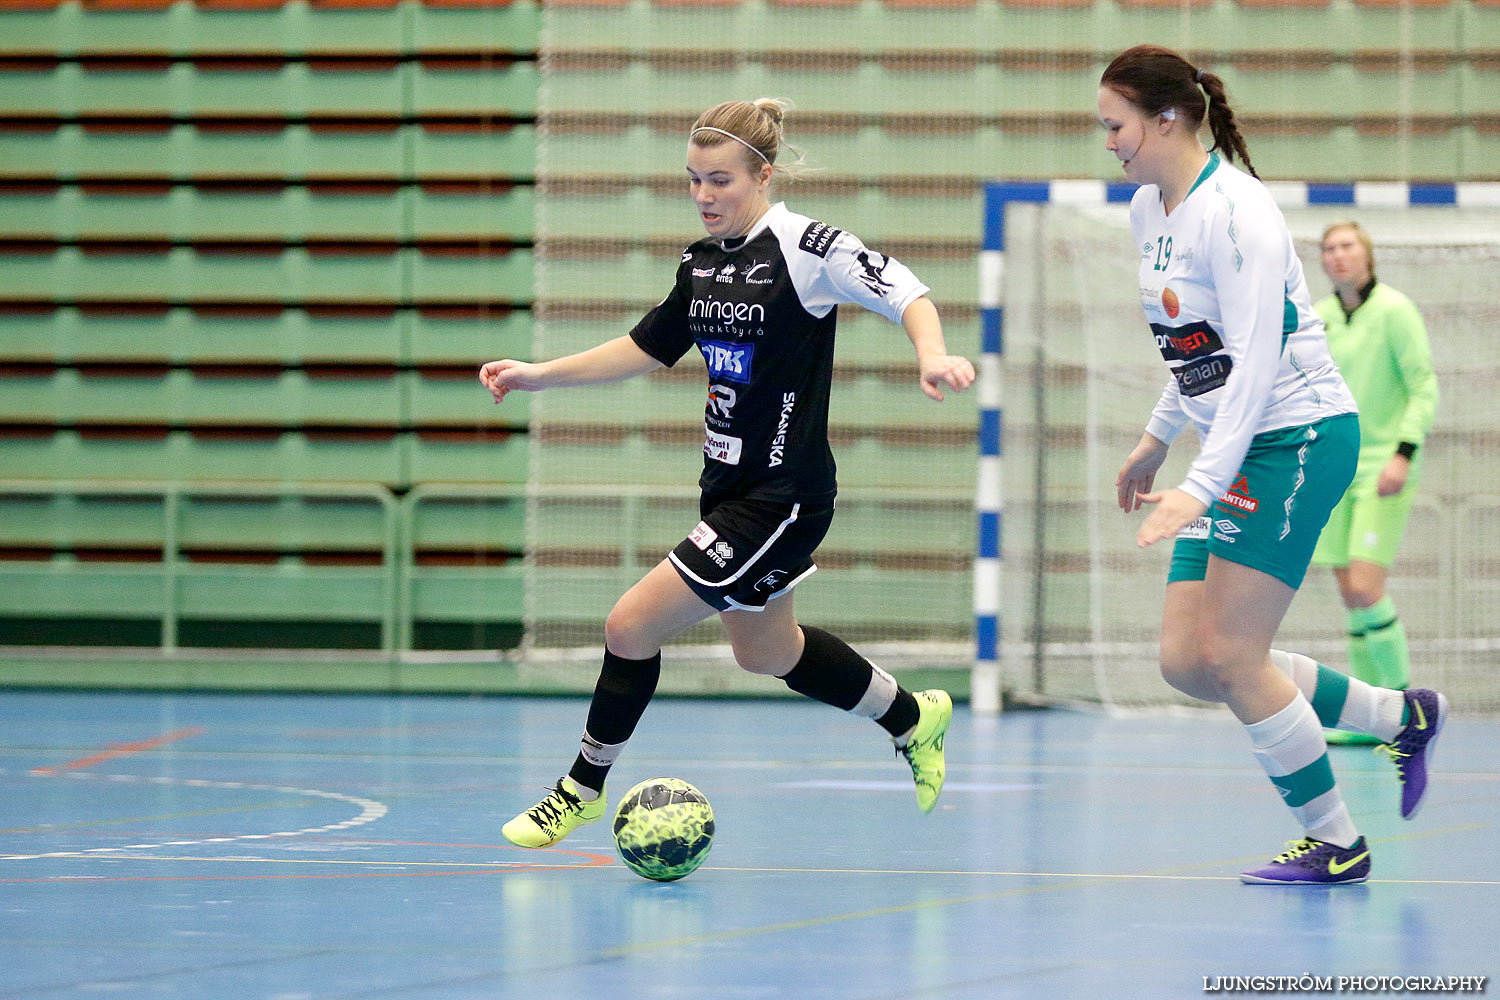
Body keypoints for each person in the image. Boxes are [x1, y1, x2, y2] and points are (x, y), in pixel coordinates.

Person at [481, 98, 975, 849]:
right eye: (693, 181)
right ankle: (914, 718)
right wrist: (538, 376)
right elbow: (647, 347)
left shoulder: (807, 247)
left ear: (762, 175)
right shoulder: (701, 262)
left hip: (783, 496)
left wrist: (931, 354)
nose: (705, 196)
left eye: (720, 180)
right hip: (727, 487)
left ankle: (581, 788)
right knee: (767, 652)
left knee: (628, 625)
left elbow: (904, 290)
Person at [1100, 46, 1448, 885]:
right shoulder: (1150, 211)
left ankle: (1338, 843)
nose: (1107, 142)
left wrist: (1198, 485)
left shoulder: (1238, 213)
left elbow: (1254, 368)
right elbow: (1194, 352)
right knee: (1188, 660)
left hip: (1297, 439)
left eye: (1115, 126)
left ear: (1167, 119)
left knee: (1229, 652)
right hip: (1233, 439)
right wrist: (1156, 437)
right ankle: (1401, 716)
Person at [1310, 221, 1439, 745]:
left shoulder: (1395, 310)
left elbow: (1423, 387)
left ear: (1367, 255)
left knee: (1366, 586)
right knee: (1349, 592)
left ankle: (1410, 711)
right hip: (1333, 470)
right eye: (1328, 249)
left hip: (1382, 467)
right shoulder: (1317, 319)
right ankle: (1370, 720)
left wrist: (1403, 454)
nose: (1337, 256)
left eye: (1347, 246)